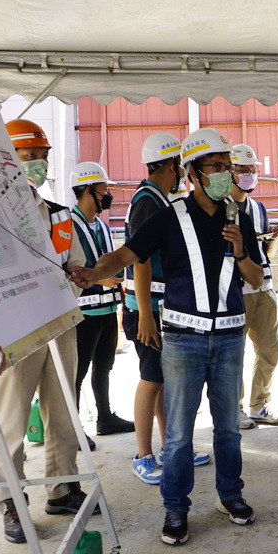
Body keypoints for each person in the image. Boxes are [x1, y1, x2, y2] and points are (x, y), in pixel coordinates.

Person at [70, 127, 265, 546]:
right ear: (192, 172)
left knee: (228, 427)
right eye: (215, 167)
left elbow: (256, 277)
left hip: (230, 336)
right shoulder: (168, 216)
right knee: (177, 430)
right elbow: (128, 255)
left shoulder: (239, 218)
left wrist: (241, 251)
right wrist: (92, 273)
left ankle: (230, 495)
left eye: (226, 167)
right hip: (183, 338)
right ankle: (175, 507)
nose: (223, 174)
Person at [0, 118, 93, 544]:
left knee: (63, 408)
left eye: (41, 157)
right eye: (27, 157)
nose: (36, 164)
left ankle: (62, 485)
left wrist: (80, 274)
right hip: (14, 330)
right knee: (11, 420)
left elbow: (75, 263)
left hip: (60, 321)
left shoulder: (59, 216)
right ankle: (11, 502)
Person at [124, 132, 210, 485]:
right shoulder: (149, 201)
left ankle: (172, 445)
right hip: (147, 309)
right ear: (174, 165)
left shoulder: (157, 198)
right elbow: (141, 260)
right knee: (151, 380)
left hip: (157, 307)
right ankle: (143, 455)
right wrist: (145, 314)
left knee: (163, 381)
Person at [68, 161, 133, 435]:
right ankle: (72, 429)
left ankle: (105, 418)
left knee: (104, 368)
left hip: (107, 310)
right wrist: (99, 278)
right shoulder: (67, 225)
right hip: (83, 314)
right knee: (77, 373)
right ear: (87, 191)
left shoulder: (103, 227)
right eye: (103, 189)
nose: (108, 194)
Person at [229, 143, 278, 429]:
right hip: (237, 290)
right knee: (234, 353)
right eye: (242, 170)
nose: (249, 175)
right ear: (230, 172)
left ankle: (258, 405)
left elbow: (267, 254)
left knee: (269, 351)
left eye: (252, 170)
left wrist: (271, 239)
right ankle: (234, 409)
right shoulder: (221, 208)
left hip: (264, 288)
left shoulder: (258, 208)